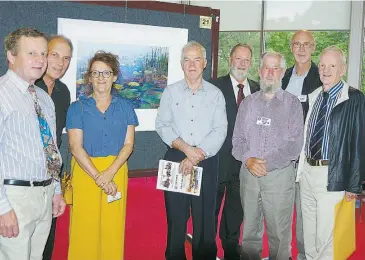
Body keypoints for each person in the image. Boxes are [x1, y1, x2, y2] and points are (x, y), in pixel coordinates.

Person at [155, 41, 227, 260]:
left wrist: (196, 154)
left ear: (204, 63)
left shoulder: (215, 94)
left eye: (197, 59)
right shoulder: (170, 92)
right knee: (176, 219)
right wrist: (186, 149)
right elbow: (162, 125)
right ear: (181, 64)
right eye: (187, 59)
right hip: (176, 158)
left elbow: (220, 129)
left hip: (206, 159)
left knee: (204, 220)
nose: (192, 64)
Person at [0, 28, 66, 260]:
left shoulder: (44, 98)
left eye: (43, 53)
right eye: (31, 54)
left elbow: (50, 149)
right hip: (14, 198)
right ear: (11, 55)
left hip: (45, 194)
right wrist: (1, 207)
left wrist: (56, 190)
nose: (40, 60)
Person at [66, 51, 138, 260]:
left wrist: (109, 173)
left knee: (113, 228)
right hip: (85, 172)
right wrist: (99, 176)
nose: (100, 78)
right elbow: (75, 147)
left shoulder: (125, 107)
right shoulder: (76, 108)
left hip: (116, 171)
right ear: (89, 77)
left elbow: (129, 144)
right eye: (95, 73)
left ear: (114, 76)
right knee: (84, 228)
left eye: (106, 73)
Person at [232, 51, 303, 260]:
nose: (270, 73)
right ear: (260, 71)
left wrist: (266, 164)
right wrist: (249, 160)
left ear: (282, 72)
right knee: (250, 233)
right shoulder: (247, 104)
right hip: (249, 176)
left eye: (275, 68)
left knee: (279, 235)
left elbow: (294, 145)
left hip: (279, 178)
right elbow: (237, 141)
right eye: (266, 67)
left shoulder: (292, 104)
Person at [297, 46, 365, 260]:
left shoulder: (354, 99)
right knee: (309, 235)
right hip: (307, 173)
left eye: (332, 66)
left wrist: (354, 185)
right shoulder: (315, 95)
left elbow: (359, 143)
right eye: (323, 65)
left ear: (342, 69)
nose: (325, 70)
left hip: (332, 175)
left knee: (326, 239)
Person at [210, 43, 260, 260]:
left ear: (251, 63)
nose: (242, 63)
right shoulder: (213, 86)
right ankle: (207, 247)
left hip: (244, 164)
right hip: (217, 160)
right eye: (238, 58)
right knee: (210, 209)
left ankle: (231, 248)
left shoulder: (259, 89)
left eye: (246, 60)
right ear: (230, 59)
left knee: (235, 210)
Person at [281, 30, 322, 260]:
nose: (302, 49)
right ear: (291, 47)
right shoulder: (283, 77)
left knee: (306, 217)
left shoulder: (321, 77)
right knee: (282, 213)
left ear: (313, 47)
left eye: (306, 44)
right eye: (297, 44)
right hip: (284, 158)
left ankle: (305, 256)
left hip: (309, 158)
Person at [35, 35, 72, 260]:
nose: (60, 62)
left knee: (47, 242)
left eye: (66, 58)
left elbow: (55, 141)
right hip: (23, 180)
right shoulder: (28, 85)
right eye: (55, 55)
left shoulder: (63, 92)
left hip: (51, 178)